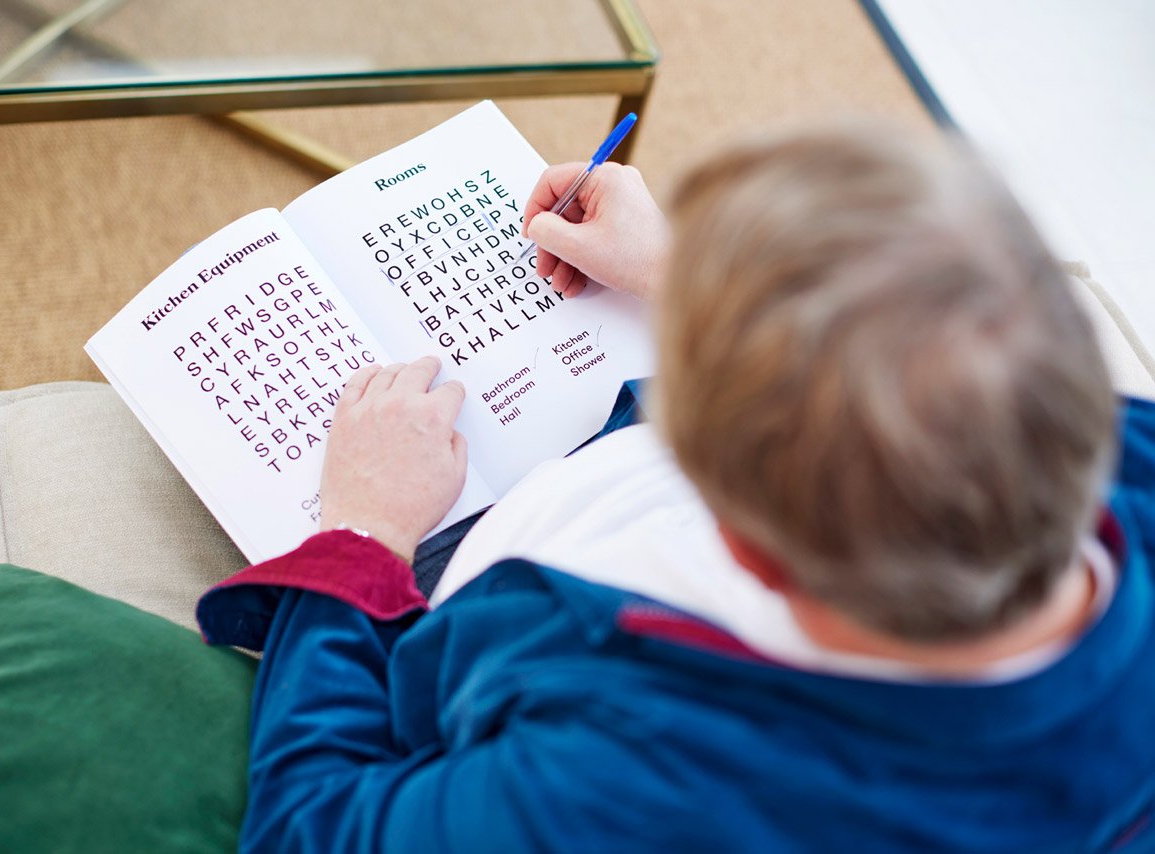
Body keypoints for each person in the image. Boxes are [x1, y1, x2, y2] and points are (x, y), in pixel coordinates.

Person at [196, 124, 1155, 852]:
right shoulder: (1110, 445)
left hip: (449, 560)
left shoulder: (647, 774)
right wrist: (692, 276)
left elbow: (313, 829)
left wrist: (363, 532)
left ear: (737, 539)